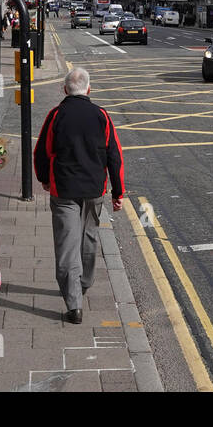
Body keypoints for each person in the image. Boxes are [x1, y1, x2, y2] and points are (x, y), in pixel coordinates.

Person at [33, 67, 126, 324]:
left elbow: (41, 152)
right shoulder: (101, 115)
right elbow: (114, 155)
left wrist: (44, 179)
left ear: (65, 89)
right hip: (94, 189)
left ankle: (74, 304)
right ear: (89, 89)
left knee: (66, 244)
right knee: (89, 237)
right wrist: (118, 192)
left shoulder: (56, 115)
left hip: (63, 189)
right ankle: (83, 283)